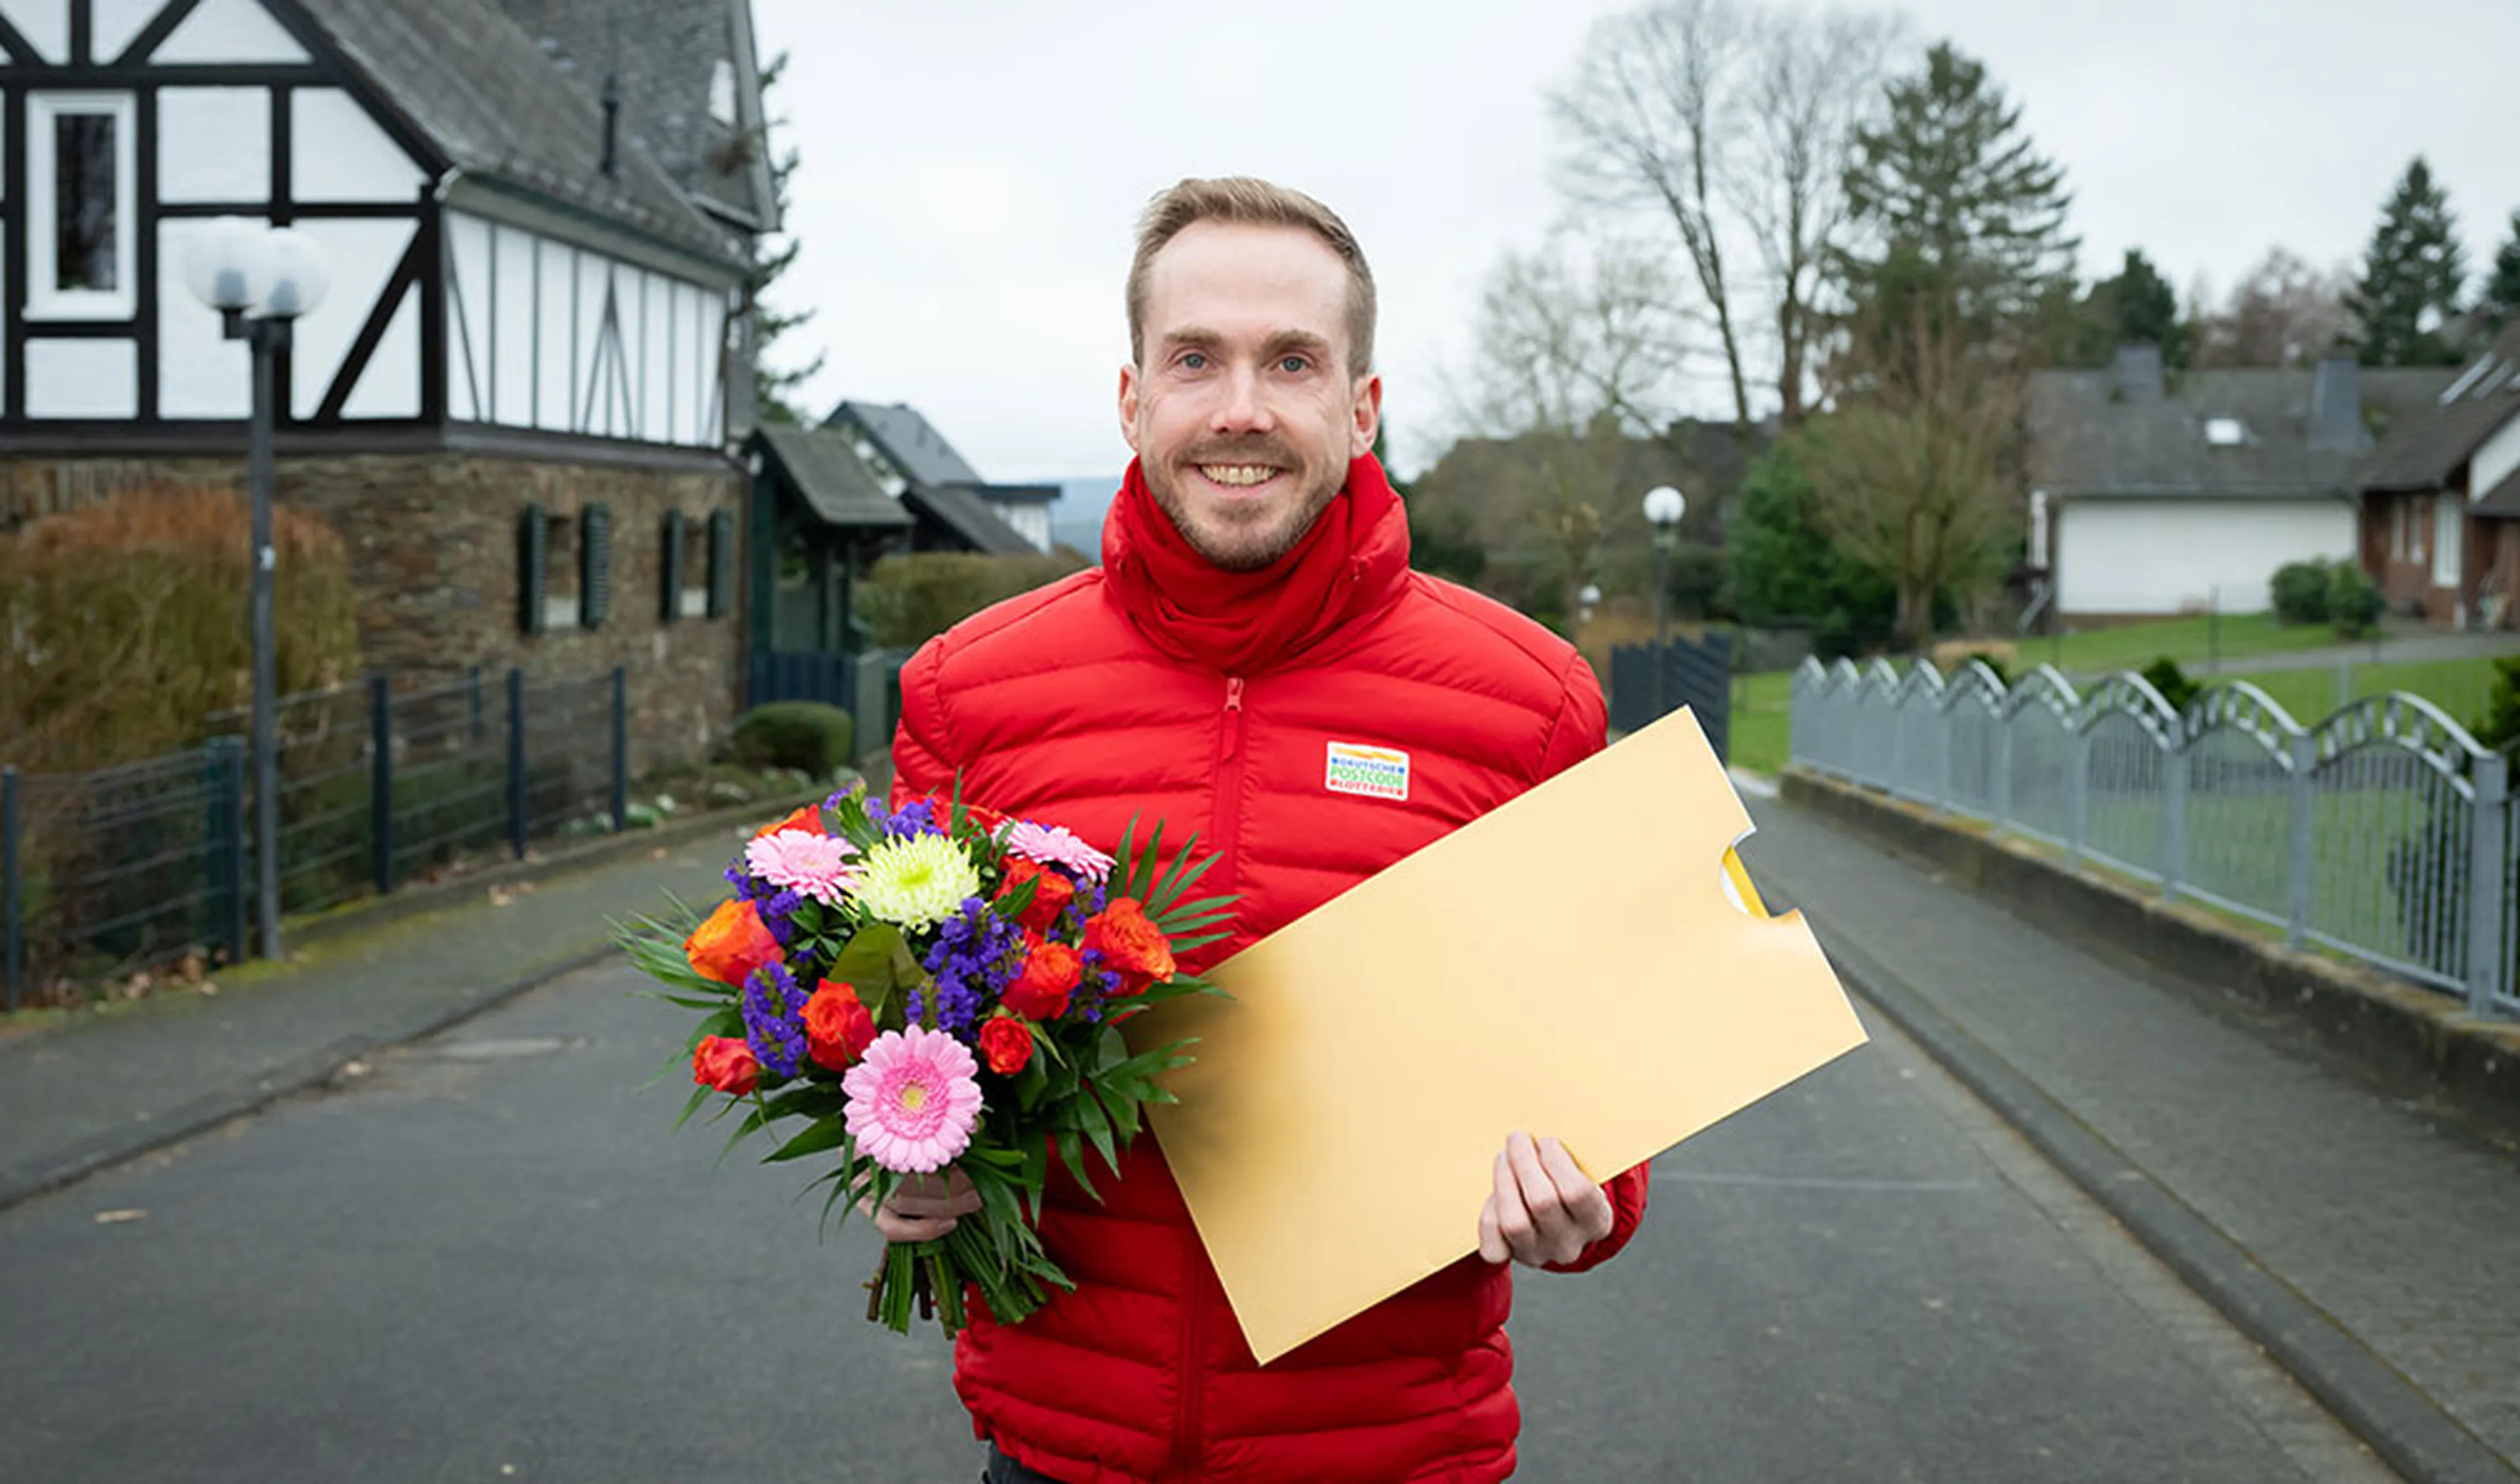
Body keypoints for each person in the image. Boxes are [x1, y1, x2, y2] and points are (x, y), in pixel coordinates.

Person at [879, 176, 1650, 1484]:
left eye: (1292, 360)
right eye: (1197, 359)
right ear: (1133, 401)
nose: (1242, 408)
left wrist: (1588, 1201)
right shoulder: (969, 696)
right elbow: (911, 1059)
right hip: (1064, 1454)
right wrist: (902, 1175)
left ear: (1362, 405)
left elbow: (1603, 1098)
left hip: (1392, 1455)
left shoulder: (1531, 707)